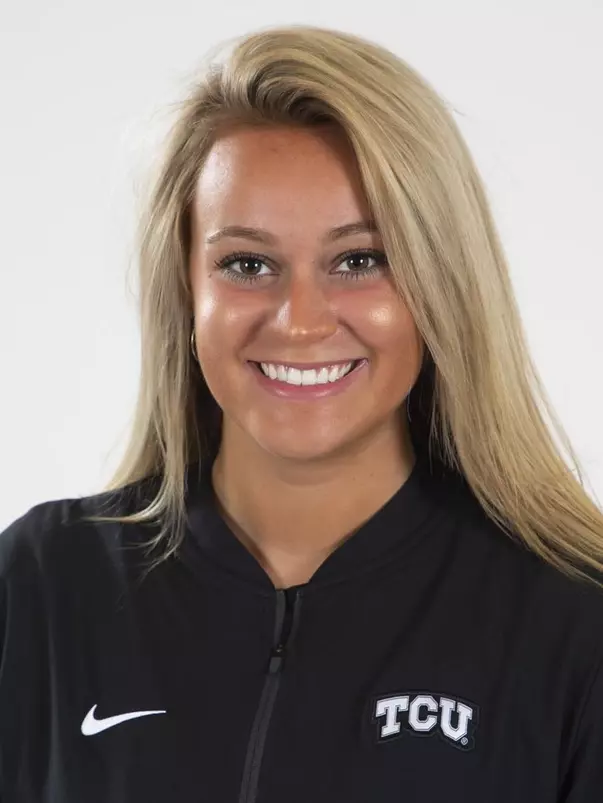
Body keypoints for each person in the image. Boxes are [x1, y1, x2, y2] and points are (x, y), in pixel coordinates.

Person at [1, 23, 603, 803]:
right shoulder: (45, 587)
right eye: (247, 264)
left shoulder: (569, 622)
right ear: (187, 291)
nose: (300, 321)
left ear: (440, 283)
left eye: (360, 260)